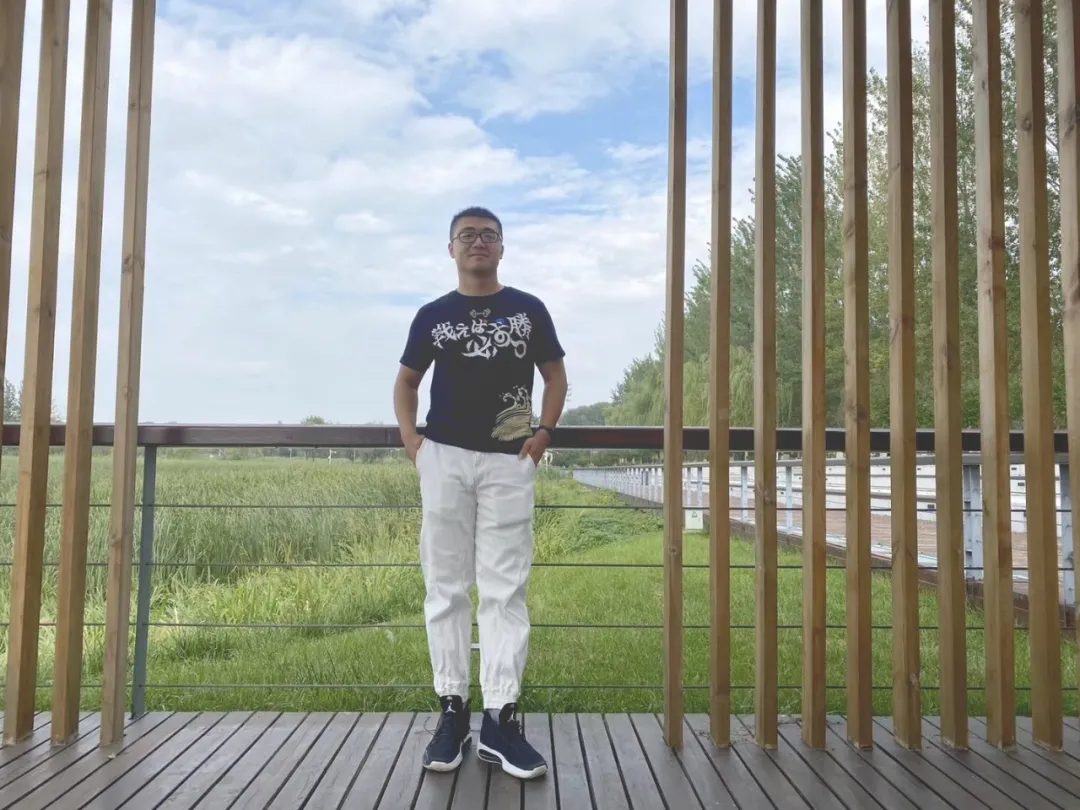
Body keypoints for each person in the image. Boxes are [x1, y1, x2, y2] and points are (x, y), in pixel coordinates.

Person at [393, 206, 568, 780]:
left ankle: (500, 719)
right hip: (443, 458)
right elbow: (407, 382)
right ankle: (452, 711)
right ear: (451, 248)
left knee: (504, 589)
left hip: (509, 461)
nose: (478, 243)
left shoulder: (528, 309)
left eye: (488, 235)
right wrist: (413, 442)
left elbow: (555, 376)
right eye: (467, 235)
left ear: (502, 248)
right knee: (445, 587)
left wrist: (544, 434)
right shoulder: (432, 315)